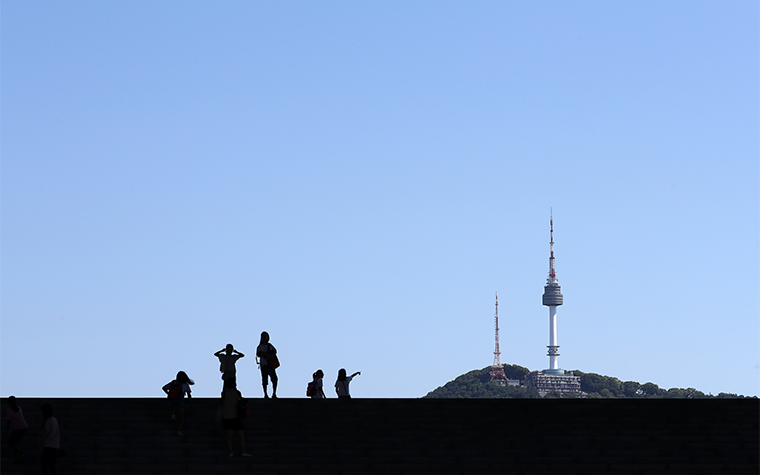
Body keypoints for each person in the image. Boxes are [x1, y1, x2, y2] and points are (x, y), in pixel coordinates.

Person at [220, 377, 252, 458]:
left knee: (229, 436)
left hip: (226, 416)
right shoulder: (237, 393)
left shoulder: (224, 394)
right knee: (240, 436)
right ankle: (243, 451)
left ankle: (230, 452)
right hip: (236, 416)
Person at [162, 371, 194, 436]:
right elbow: (189, 394)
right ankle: (179, 430)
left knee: (172, 404)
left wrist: (168, 394)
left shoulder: (173, 382)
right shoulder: (185, 385)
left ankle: (172, 415)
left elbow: (164, 388)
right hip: (180, 400)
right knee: (180, 417)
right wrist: (190, 402)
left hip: (171, 399)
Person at [256, 332, 279, 399]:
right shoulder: (260, 346)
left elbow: (274, 351)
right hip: (264, 365)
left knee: (274, 379)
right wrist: (267, 355)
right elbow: (259, 354)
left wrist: (267, 354)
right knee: (265, 380)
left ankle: (274, 393)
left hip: (271, 365)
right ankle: (265, 394)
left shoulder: (270, 346)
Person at [5, 396, 28, 462]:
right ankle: (17, 458)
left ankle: (21, 452)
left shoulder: (10, 410)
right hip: (23, 427)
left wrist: (6, 432)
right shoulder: (19, 408)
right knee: (14, 443)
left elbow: (8, 422)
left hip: (18, 428)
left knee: (11, 443)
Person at [40, 403, 59, 475]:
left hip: (48, 446)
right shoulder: (55, 420)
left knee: (44, 466)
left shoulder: (48, 421)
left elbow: (45, 435)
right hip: (55, 446)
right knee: (52, 467)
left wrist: (41, 448)